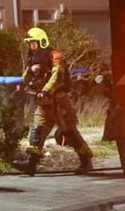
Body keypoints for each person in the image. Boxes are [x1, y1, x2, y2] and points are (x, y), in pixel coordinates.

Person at [18, 26, 94, 175]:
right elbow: (25, 79)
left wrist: (46, 89)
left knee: (69, 132)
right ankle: (31, 164)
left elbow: (57, 77)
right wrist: (30, 70)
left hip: (59, 103)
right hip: (43, 104)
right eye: (30, 44)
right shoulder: (33, 60)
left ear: (42, 42)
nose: (31, 47)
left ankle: (85, 160)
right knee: (37, 131)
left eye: (33, 43)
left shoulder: (55, 56)